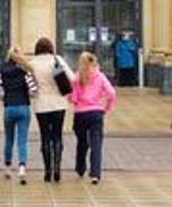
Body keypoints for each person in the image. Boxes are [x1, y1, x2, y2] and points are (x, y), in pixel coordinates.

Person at [13, 37, 70, 183]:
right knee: (57, 136)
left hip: (41, 104)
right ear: (51, 47)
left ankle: (47, 171)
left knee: (45, 136)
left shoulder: (32, 64)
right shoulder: (57, 60)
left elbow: (24, 81)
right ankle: (57, 168)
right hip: (59, 103)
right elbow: (72, 77)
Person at [0, 47, 38, 184]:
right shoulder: (25, 71)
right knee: (22, 140)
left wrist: (4, 98)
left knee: (9, 139)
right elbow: (33, 90)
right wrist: (26, 95)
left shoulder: (2, 70)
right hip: (23, 107)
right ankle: (22, 168)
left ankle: (7, 167)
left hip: (9, 108)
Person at [68, 51, 116, 184]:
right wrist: (107, 108)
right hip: (96, 113)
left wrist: (76, 99)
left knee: (82, 142)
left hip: (80, 115)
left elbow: (72, 99)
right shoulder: (100, 76)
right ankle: (95, 173)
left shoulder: (77, 78)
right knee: (96, 144)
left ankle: (80, 168)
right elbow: (111, 93)